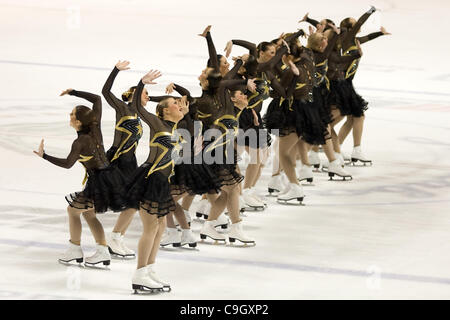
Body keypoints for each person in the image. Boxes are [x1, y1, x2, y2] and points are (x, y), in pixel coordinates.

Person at [33, 88, 128, 267]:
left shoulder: (80, 142)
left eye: (72, 114)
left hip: (99, 181)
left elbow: (68, 164)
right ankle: (102, 251)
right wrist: (74, 92)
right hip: (111, 176)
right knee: (89, 214)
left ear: (77, 121)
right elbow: (97, 100)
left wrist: (44, 156)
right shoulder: (95, 127)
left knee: (73, 211)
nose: (69, 116)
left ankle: (75, 249)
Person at [126, 69, 184, 293]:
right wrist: (141, 84)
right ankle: (139, 273)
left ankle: (149, 269)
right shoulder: (158, 123)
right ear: (163, 111)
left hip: (162, 181)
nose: (178, 106)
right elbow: (139, 108)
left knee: (160, 228)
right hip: (150, 179)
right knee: (151, 228)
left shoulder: (174, 127)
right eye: (174, 104)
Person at [102, 60, 143, 258]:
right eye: (145, 94)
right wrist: (115, 70)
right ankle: (114, 238)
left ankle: (117, 238)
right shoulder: (123, 109)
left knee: (134, 202)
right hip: (117, 161)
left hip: (130, 162)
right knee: (128, 202)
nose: (148, 97)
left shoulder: (139, 114)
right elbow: (105, 91)